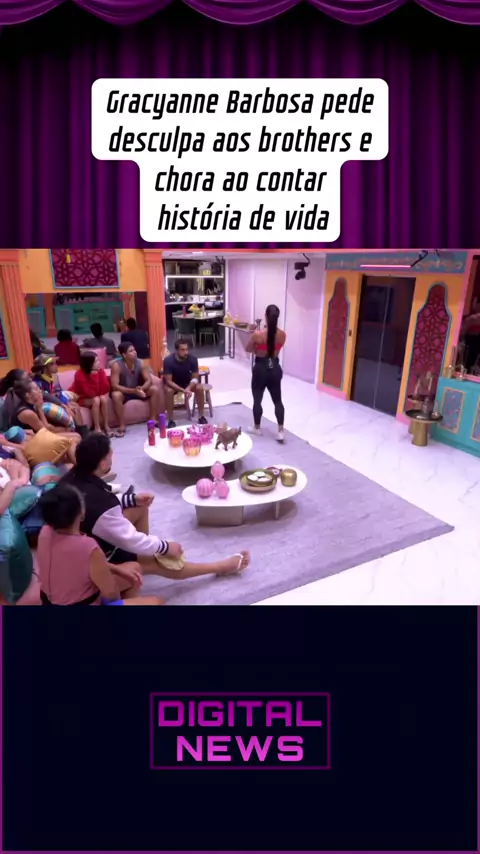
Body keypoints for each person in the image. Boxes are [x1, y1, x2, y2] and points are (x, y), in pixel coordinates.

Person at [61, 433, 250, 581]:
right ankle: (220, 567)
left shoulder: (73, 477)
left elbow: (103, 501)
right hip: (89, 566)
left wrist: (132, 499)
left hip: (76, 547)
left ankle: (141, 556)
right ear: (103, 463)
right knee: (165, 563)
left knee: (139, 507)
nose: (112, 457)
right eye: (110, 454)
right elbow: (127, 536)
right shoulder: (102, 507)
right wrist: (165, 547)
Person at [36, 484, 163, 606]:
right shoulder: (87, 546)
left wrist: (116, 568)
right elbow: (111, 592)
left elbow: (81, 563)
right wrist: (117, 601)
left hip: (50, 601)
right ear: (81, 512)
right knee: (156, 601)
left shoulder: (45, 532)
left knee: (134, 569)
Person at [3, 380, 81, 466]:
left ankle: (74, 463)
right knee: (75, 439)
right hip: (31, 443)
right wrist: (40, 409)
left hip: (39, 435)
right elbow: (45, 431)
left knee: (77, 435)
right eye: (36, 389)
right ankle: (78, 466)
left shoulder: (32, 403)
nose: (40, 391)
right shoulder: (27, 413)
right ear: (28, 395)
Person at [245, 304, 286, 443]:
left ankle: (257, 428)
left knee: (257, 399)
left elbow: (248, 349)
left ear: (266, 317)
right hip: (274, 367)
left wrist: (257, 348)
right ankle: (281, 431)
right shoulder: (282, 335)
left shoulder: (258, 335)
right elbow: (275, 349)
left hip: (261, 368)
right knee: (277, 400)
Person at [110, 342, 163, 437]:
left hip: (138, 389)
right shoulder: (116, 365)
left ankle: (153, 419)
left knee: (154, 389)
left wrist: (141, 389)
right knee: (115, 395)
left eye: (134, 350)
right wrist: (133, 391)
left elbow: (149, 380)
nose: (135, 352)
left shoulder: (141, 363)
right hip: (124, 392)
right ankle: (122, 424)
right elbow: (115, 386)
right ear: (124, 355)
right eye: (131, 351)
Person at [163, 339, 207, 429]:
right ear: (177, 350)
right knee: (169, 391)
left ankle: (201, 416)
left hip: (188, 383)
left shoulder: (193, 359)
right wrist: (183, 390)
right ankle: (171, 420)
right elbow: (168, 381)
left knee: (199, 388)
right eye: (183, 350)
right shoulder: (168, 361)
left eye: (187, 349)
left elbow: (195, 378)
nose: (186, 352)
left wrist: (189, 388)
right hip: (174, 384)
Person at [70, 351, 113, 436]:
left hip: (94, 396)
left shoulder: (100, 371)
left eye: (98, 360)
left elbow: (105, 388)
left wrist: (98, 374)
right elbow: (89, 393)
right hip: (80, 397)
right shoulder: (79, 374)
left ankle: (106, 425)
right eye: (96, 361)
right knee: (96, 400)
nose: (99, 363)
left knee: (102, 398)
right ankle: (97, 428)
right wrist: (94, 376)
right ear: (89, 364)